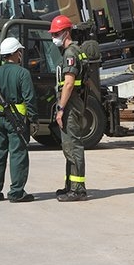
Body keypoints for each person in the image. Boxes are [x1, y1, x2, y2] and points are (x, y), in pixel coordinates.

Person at [0, 37, 38, 203]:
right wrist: (33, 119)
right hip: (17, 121)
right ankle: (16, 193)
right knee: (18, 155)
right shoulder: (22, 73)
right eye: (19, 51)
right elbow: (30, 99)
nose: (21, 54)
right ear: (14, 53)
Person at [49, 15, 88, 202]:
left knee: (73, 146)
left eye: (56, 33)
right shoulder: (73, 51)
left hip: (71, 106)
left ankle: (78, 189)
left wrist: (61, 108)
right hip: (73, 104)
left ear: (66, 33)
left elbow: (69, 84)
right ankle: (70, 185)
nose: (53, 37)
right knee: (68, 147)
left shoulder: (71, 54)